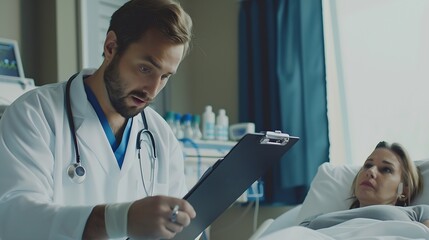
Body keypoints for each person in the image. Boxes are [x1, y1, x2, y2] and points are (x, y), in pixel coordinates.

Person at [0, 0, 197, 239]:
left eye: (165, 76)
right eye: (145, 69)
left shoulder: (160, 136)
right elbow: (14, 218)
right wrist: (118, 220)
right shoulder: (35, 113)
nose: (152, 91)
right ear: (111, 47)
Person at [300, 141, 429, 229]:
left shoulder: (419, 213)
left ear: (404, 191)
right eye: (368, 165)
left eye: (386, 169)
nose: (370, 172)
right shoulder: (316, 219)